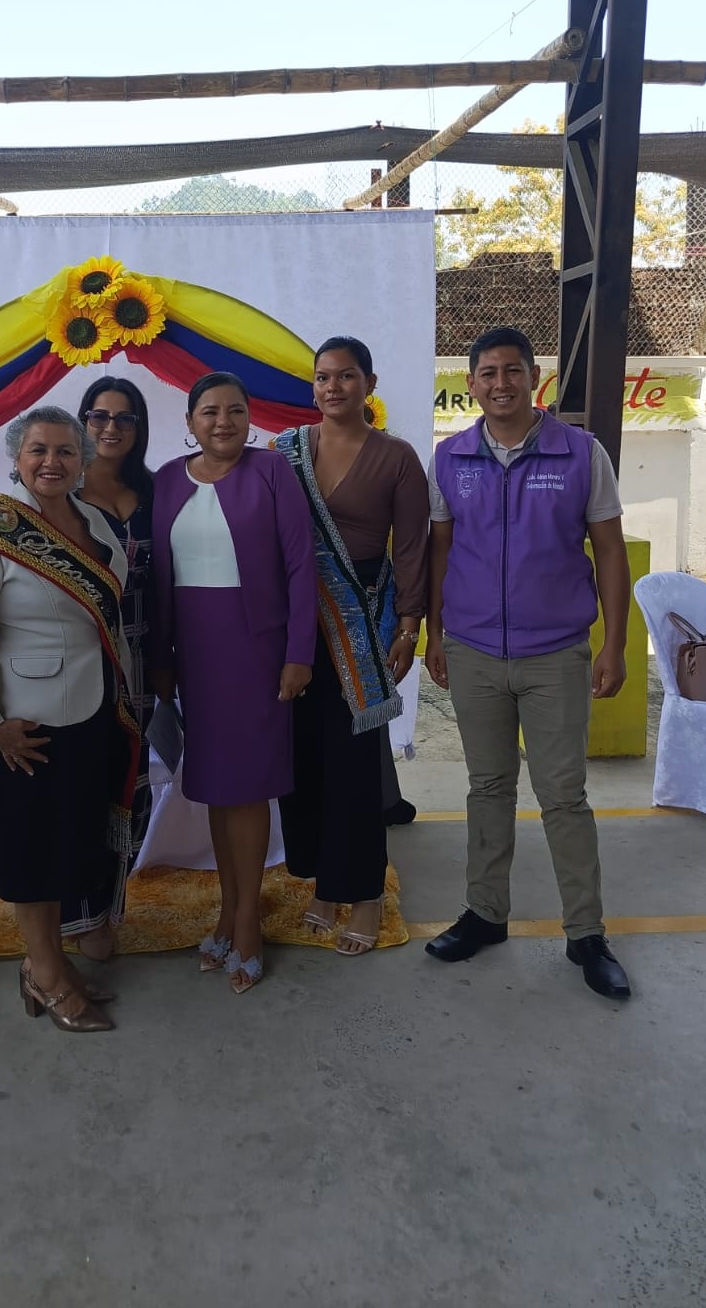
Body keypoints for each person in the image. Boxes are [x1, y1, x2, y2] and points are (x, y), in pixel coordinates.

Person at [423, 326, 632, 1000]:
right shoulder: (450, 458)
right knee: (487, 788)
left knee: (563, 796)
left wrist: (614, 644)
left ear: (534, 378)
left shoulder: (580, 453)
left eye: (512, 370)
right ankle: (485, 915)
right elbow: (440, 552)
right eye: (487, 373)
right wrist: (434, 633)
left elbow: (610, 551)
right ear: (471, 384)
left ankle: (586, 934)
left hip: (556, 655)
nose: (500, 384)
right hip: (474, 649)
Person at [0, 405, 140, 1035]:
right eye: (38, 450)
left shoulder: (94, 522)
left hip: (91, 706)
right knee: (31, 848)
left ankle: (50, 961)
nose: (51, 462)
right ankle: (45, 974)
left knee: (67, 841)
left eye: (64, 451)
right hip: (23, 722)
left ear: (83, 460)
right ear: (17, 458)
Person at [151, 372, 316, 993]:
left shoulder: (272, 472)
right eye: (210, 412)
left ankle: (247, 922)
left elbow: (301, 567)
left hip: (256, 651)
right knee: (218, 790)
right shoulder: (167, 479)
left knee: (248, 791)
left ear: (250, 418)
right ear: (190, 421)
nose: (223, 422)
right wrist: (162, 658)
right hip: (195, 653)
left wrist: (298, 653)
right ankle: (228, 909)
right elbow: (159, 573)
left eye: (236, 411)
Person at [276, 337, 429, 955]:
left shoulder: (396, 457)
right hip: (294, 625)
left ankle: (364, 892)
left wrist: (409, 628)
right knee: (303, 761)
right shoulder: (286, 451)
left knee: (355, 766)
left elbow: (412, 548)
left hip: (360, 622)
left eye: (345, 376)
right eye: (322, 377)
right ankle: (323, 883)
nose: (332, 387)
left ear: (370, 383)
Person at [74, 375, 155, 960]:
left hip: (143, 660)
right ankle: (79, 916)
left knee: (134, 786)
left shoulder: (155, 491)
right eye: (98, 416)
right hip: (83, 660)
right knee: (85, 784)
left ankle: (111, 908)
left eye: (124, 418)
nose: (110, 427)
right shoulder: (61, 492)